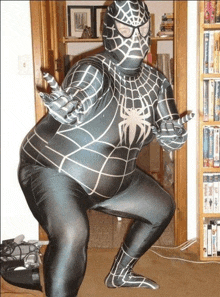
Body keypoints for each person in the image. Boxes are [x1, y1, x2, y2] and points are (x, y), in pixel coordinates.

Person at [18, 1, 192, 296]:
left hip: (116, 178)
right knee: (72, 233)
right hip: (58, 170)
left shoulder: (157, 82)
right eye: (126, 28)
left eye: (142, 29)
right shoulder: (92, 67)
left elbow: (171, 137)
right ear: (109, 29)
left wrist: (175, 134)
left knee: (162, 207)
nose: (135, 37)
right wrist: (70, 107)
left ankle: (120, 274)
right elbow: (80, 95)